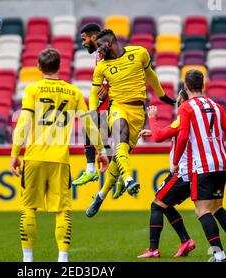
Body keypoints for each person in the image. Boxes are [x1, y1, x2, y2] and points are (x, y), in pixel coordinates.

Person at [10, 48, 108, 262]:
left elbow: (23, 123)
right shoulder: (73, 92)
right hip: (60, 160)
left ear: (38, 67)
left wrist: (15, 153)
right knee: (62, 210)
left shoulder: (32, 89)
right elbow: (89, 125)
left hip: (34, 157)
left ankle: (28, 261)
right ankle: (62, 260)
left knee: (28, 207)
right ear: (60, 67)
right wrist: (100, 150)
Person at [85, 29, 176, 217]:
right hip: (117, 107)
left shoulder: (139, 53)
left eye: (101, 47)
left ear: (110, 44)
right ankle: (128, 180)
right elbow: (94, 93)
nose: (98, 51)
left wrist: (161, 95)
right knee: (121, 136)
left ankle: (100, 196)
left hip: (137, 112)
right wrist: (93, 112)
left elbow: (150, 75)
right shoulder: (101, 67)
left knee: (120, 157)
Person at [172, 69, 226, 262]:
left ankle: (219, 255)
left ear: (186, 86)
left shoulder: (186, 107)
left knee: (202, 211)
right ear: (202, 85)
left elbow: (181, 138)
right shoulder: (216, 105)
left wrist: (175, 162)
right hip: (221, 163)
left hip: (202, 166)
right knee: (217, 208)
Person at [136, 90, 195, 258]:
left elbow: (160, 137)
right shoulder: (189, 118)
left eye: (178, 96)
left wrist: (152, 118)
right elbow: (170, 134)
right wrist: (153, 130)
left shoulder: (183, 117)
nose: (176, 99)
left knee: (156, 204)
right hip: (188, 172)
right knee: (165, 205)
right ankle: (186, 241)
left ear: (182, 99)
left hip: (182, 173)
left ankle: (154, 249)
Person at [72, 23, 113, 186]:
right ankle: (112, 170)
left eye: (84, 39)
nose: (83, 43)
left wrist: (107, 85)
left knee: (91, 125)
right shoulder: (99, 53)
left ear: (94, 37)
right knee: (96, 131)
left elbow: (119, 68)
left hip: (115, 99)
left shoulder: (107, 50)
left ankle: (91, 170)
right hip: (108, 99)